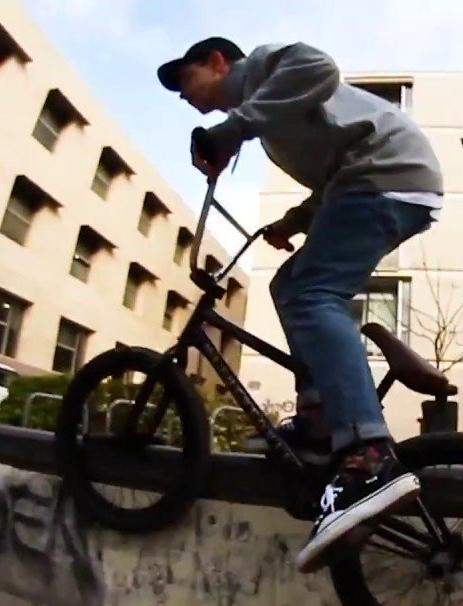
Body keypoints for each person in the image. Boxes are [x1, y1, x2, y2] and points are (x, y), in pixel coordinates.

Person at [158, 37, 444, 573]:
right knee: (288, 286)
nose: (182, 95)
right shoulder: (273, 116)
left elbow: (319, 67)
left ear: (218, 62)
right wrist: (295, 220)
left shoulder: (264, 69)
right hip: (373, 181)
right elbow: (338, 171)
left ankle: (368, 452)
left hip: (386, 177)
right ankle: (318, 421)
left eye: (185, 79)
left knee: (315, 294)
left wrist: (230, 130)